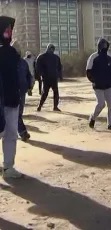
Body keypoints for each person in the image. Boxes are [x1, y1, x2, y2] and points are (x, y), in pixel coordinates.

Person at [0, 16, 23, 178]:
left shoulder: (12, 51)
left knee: (11, 134)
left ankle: (8, 168)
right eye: (6, 29)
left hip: (12, 100)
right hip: (1, 101)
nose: (9, 32)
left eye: (10, 29)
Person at [86, 38, 111, 131]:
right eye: (102, 45)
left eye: (106, 45)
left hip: (109, 85)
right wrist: (93, 81)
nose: (104, 47)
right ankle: (92, 118)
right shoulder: (93, 57)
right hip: (98, 85)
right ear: (99, 46)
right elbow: (88, 71)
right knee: (101, 104)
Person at [11, 41, 33, 141]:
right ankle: (22, 132)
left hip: (21, 91)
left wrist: (30, 87)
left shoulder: (23, 63)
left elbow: (28, 76)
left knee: (18, 113)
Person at [35, 43, 62, 112]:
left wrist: (60, 76)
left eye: (53, 48)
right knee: (45, 93)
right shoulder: (41, 57)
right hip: (46, 78)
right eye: (51, 48)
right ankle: (40, 106)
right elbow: (38, 67)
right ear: (48, 48)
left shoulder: (56, 57)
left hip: (53, 77)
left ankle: (55, 107)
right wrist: (39, 75)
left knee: (55, 92)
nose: (52, 50)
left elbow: (59, 67)